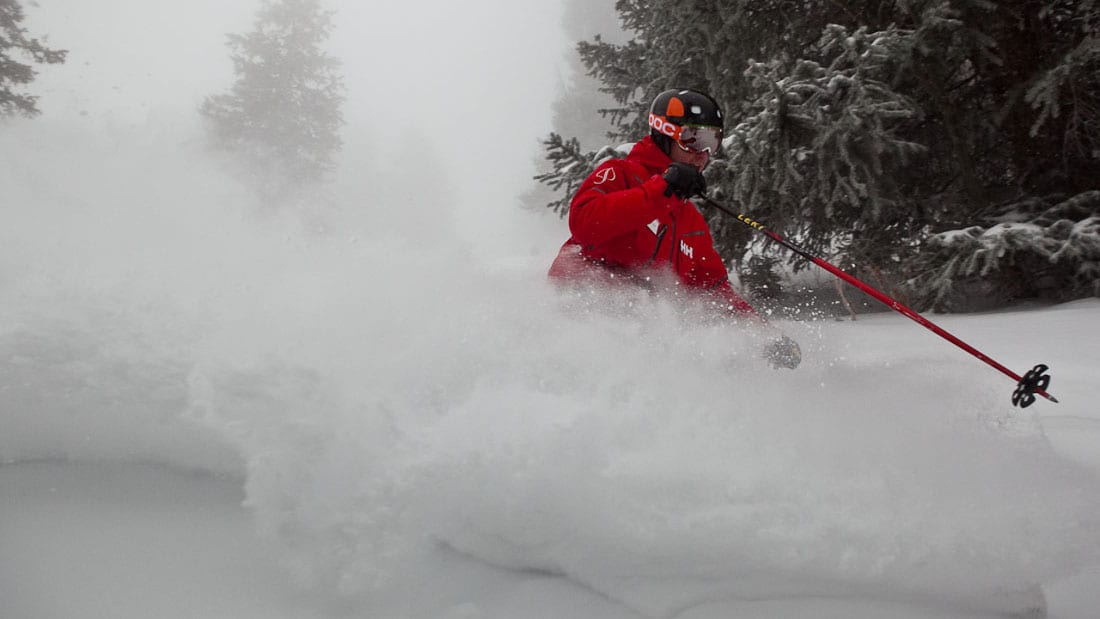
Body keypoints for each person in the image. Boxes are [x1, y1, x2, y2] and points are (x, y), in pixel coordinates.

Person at [548, 88, 801, 369]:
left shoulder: (690, 222)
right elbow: (584, 223)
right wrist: (663, 188)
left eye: (712, 142)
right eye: (693, 139)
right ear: (664, 134)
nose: (702, 154)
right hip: (579, 326)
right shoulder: (621, 175)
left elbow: (714, 291)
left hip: (638, 346)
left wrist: (763, 335)